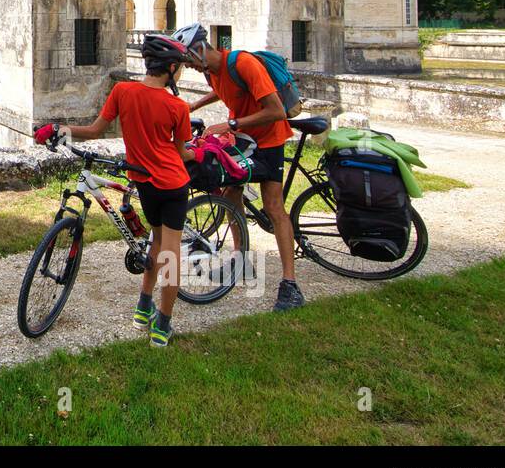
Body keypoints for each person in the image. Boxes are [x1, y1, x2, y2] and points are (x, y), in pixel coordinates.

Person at [33, 35, 199, 347]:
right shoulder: (178, 106)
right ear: (172, 68)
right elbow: (180, 153)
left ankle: (142, 309)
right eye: (180, 69)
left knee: (155, 243)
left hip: (145, 183)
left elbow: (95, 130)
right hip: (173, 186)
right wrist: (201, 151)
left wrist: (58, 129)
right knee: (170, 254)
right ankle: (162, 326)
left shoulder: (123, 91)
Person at [172, 23, 305, 312]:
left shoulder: (243, 63)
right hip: (244, 140)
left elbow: (275, 111)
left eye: (189, 60)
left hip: (269, 139)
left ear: (199, 50)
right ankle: (241, 260)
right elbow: (224, 91)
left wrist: (230, 123)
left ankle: (290, 285)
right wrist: (193, 106)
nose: (189, 67)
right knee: (231, 193)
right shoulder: (211, 71)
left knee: (273, 207)